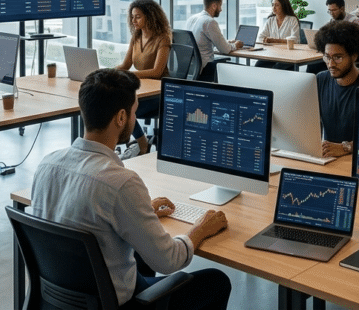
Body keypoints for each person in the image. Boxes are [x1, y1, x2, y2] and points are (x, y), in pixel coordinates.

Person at [31, 68, 231, 309]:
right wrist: (200, 229)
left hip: (63, 300)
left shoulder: (46, 165)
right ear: (121, 117)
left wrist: (139, 213)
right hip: (115, 303)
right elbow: (169, 260)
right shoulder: (121, 184)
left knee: (140, 259)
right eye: (135, 112)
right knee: (216, 281)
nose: (135, 120)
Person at [313, 20, 359, 158]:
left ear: (354, 56)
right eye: (327, 57)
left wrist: (346, 147)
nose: (331, 64)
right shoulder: (320, 80)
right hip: (328, 157)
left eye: (338, 57)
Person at [115, 0, 171, 158]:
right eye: (132, 17)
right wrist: (108, 72)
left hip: (159, 93)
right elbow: (125, 65)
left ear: (150, 16)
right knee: (114, 101)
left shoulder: (163, 39)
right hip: (142, 88)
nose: (133, 20)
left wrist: (130, 75)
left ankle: (142, 143)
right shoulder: (136, 37)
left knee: (124, 105)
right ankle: (119, 145)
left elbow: (157, 72)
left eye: (137, 16)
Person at [185, 0, 243, 83]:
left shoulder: (192, 19)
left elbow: (202, 42)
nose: (221, 9)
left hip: (190, 68)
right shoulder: (209, 22)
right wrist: (235, 45)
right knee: (240, 69)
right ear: (214, 6)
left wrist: (227, 42)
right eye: (220, 5)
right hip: (205, 68)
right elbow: (225, 50)